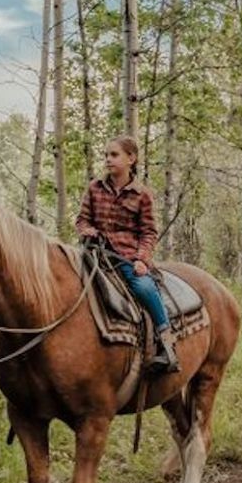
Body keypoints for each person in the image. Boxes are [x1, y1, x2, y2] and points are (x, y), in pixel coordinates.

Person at [76, 135, 179, 373]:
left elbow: (149, 232)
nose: (108, 160)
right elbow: (82, 220)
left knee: (144, 288)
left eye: (114, 155)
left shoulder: (142, 194)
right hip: (94, 254)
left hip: (125, 258)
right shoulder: (94, 187)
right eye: (106, 155)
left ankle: (166, 344)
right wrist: (89, 231)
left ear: (131, 159)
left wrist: (141, 259)